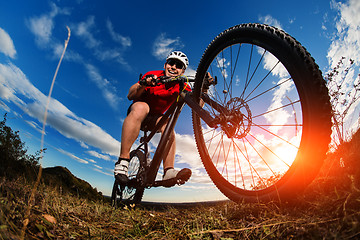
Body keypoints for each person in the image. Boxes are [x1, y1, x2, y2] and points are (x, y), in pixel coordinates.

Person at [114, 51, 193, 186]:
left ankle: (168, 170)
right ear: (165, 64)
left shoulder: (183, 84)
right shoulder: (154, 74)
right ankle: (123, 160)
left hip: (156, 120)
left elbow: (197, 105)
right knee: (142, 107)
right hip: (138, 113)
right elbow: (130, 95)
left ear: (183, 71)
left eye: (178, 65)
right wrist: (143, 83)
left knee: (168, 125)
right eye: (171, 63)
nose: (173, 67)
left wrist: (204, 89)